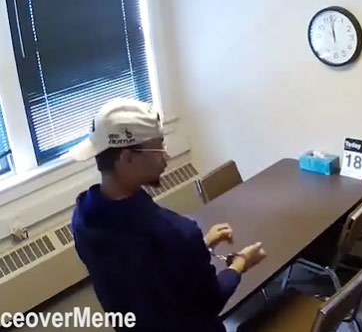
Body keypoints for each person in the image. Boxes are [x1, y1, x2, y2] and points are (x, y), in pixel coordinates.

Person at [70, 99, 266, 331]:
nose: (166, 156)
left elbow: (145, 272)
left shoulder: (82, 219)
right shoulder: (177, 234)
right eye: (158, 147)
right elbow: (210, 302)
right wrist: (240, 263)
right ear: (126, 158)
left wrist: (202, 245)